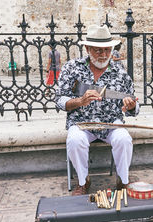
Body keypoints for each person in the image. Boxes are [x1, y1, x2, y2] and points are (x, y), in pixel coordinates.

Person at [55, 25, 139, 195]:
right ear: (87, 48)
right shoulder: (72, 68)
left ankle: (123, 181)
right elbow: (59, 100)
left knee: (123, 139)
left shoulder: (120, 74)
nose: (103, 55)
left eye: (107, 50)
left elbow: (134, 108)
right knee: (75, 140)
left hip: (110, 122)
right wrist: (79, 101)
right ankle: (82, 181)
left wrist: (131, 106)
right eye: (98, 51)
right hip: (81, 122)